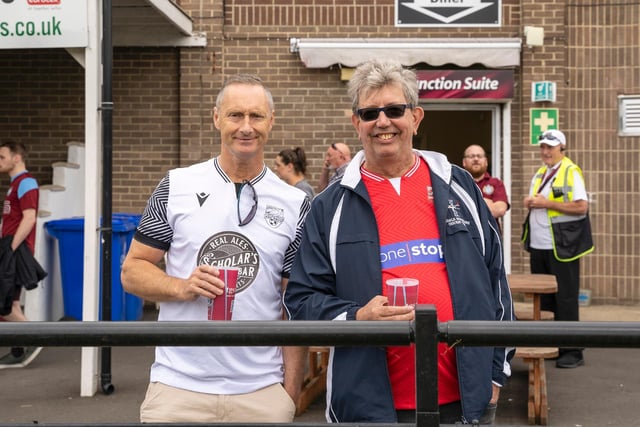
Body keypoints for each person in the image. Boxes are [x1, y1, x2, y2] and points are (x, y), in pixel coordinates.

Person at [284, 59, 514, 424]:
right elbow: (301, 300)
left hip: (464, 402)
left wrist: (494, 374)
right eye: (370, 112)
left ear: (416, 117)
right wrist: (357, 317)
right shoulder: (330, 204)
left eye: (394, 110)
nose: (383, 121)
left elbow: (495, 281)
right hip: (367, 407)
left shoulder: (459, 185)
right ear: (356, 122)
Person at [121, 74, 311, 423]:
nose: (246, 127)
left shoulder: (296, 203)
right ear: (216, 119)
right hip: (178, 388)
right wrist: (180, 286)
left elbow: (293, 303)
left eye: (256, 116)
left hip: (261, 391)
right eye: (235, 115)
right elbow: (132, 271)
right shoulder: (176, 186)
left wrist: (290, 393)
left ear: (271, 121)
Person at [522, 129, 593, 369]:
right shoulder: (542, 172)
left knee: (566, 298)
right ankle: (553, 345)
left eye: (550, 148)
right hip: (540, 245)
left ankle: (572, 350)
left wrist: (546, 203)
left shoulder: (571, 171)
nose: (545, 152)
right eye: (542, 147)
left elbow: (581, 207)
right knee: (546, 301)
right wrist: (532, 202)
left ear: (562, 148)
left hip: (562, 246)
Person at [0, 140, 43, 369]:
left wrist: (11, 248)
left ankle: (33, 340)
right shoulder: (15, 184)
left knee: (6, 305)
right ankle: (18, 350)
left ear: (16, 158)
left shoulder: (26, 183)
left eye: (2, 157)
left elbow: (29, 218)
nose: (0, 161)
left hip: (14, 249)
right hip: (10, 247)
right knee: (12, 303)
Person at [462, 144, 510, 222]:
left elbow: (500, 210)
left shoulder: (496, 183)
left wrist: (468, 203)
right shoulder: (457, 184)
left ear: (486, 162)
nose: (476, 159)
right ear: (464, 162)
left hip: (489, 233)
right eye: (471, 156)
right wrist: (486, 203)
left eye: (479, 156)